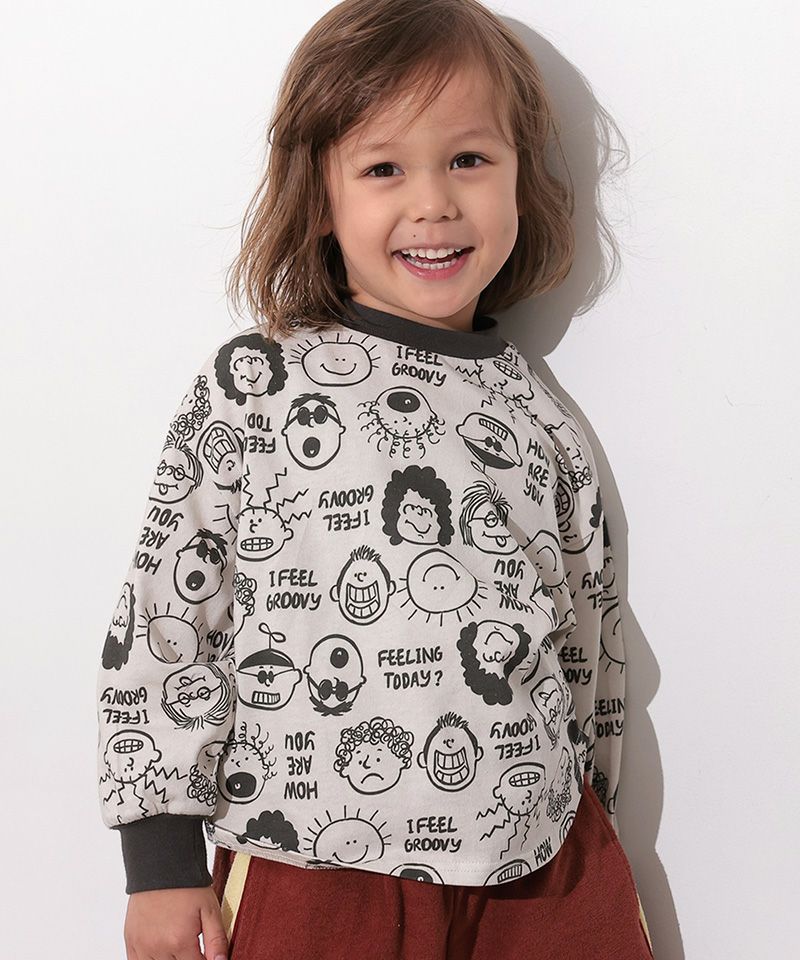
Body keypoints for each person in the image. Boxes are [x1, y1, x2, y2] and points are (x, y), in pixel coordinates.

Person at [95, 1, 654, 957]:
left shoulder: (540, 414)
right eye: (385, 168)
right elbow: (166, 619)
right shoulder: (258, 383)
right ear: (320, 197)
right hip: (312, 861)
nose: (433, 203)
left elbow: (590, 642)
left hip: (541, 862)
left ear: (522, 179)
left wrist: (593, 814)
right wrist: (160, 861)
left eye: (468, 160)